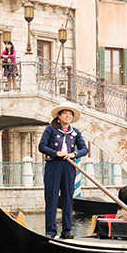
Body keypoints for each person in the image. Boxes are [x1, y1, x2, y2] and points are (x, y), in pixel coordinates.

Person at [38, 102, 88, 239]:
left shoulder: (75, 132)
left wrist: (74, 154)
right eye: (65, 113)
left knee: (67, 198)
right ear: (59, 116)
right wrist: (56, 153)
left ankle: (67, 231)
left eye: (70, 114)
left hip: (68, 166)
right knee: (52, 198)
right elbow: (41, 147)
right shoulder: (50, 129)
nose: (68, 116)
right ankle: (50, 231)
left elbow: (84, 149)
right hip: (53, 165)